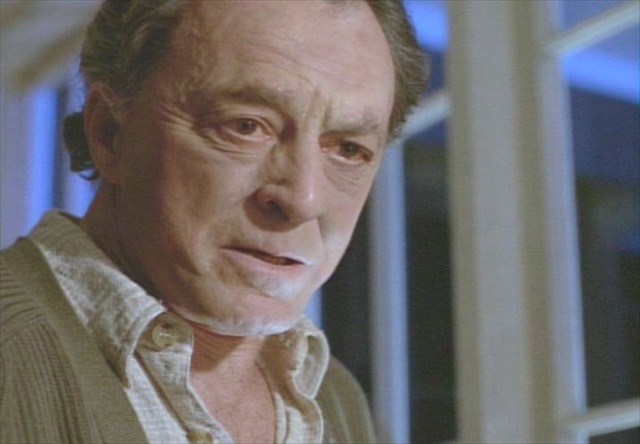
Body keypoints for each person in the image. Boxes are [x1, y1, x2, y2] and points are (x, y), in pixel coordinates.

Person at [0, 0, 426, 443]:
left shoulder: (334, 397)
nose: (304, 199)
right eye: (246, 126)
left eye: (349, 150)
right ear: (110, 134)